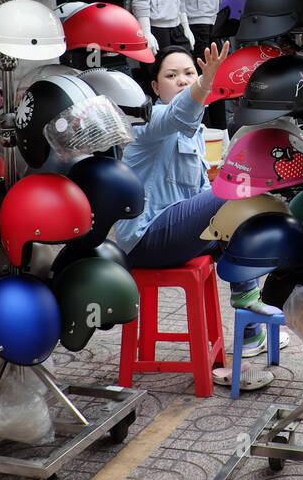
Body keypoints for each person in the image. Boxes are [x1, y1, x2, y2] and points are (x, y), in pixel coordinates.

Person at [117, 42, 283, 376]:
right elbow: (180, 112)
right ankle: (250, 312)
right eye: (171, 75)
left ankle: (251, 328)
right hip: (145, 239)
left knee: (238, 216)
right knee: (234, 193)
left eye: (188, 73)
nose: (181, 80)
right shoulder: (148, 123)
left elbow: (201, 192)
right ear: (155, 87)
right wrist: (204, 82)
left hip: (176, 233)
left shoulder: (196, 132)